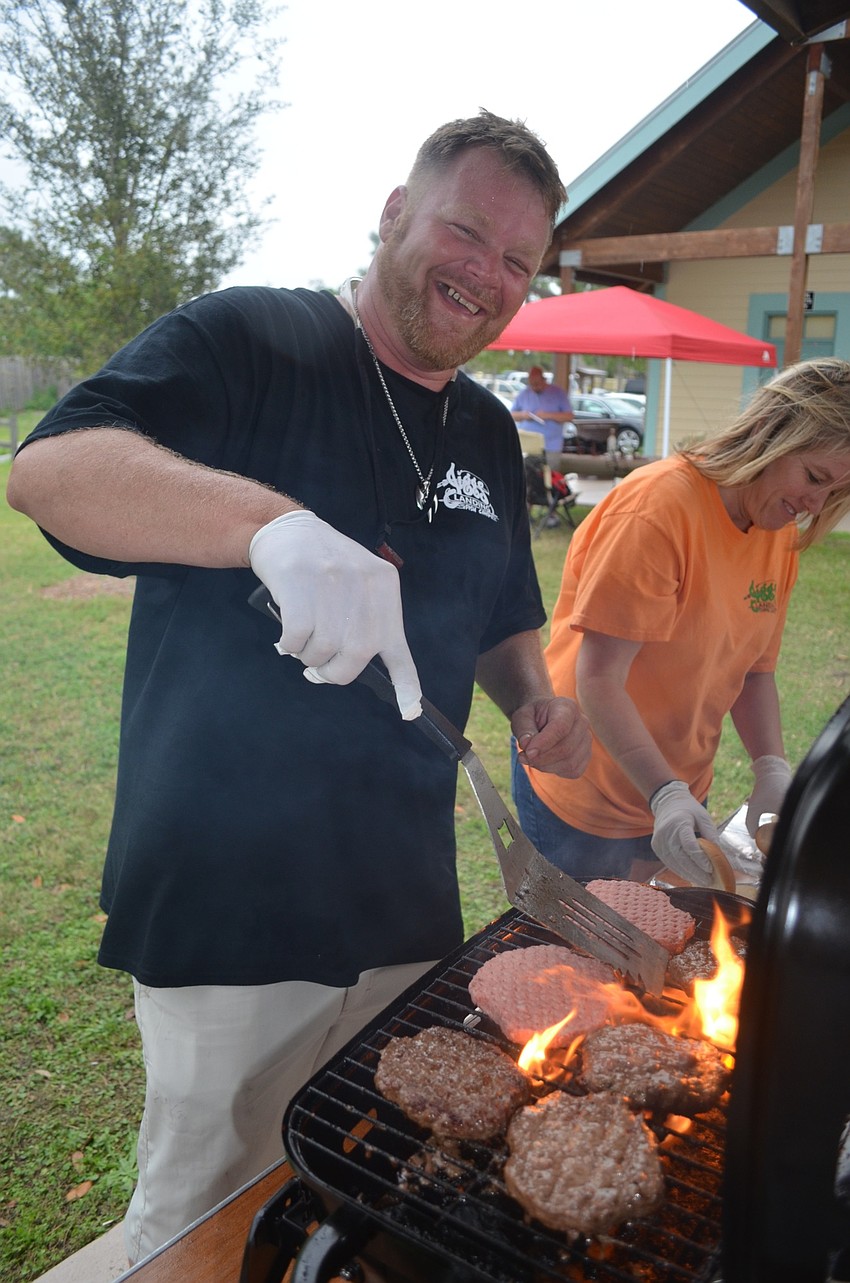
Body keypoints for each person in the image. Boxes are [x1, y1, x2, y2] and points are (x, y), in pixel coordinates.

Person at [5, 110, 592, 1262]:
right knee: (204, 1231)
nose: (487, 276)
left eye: (518, 262)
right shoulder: (251, 336)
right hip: (231, 900)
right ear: (392, 213)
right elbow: (50, 469)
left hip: (406, 902)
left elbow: (503, 612)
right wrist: (268, 525)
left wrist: (529, 694)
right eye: (465, 232)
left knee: (369, 1195)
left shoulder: (484, 430)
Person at [513, 357, 850, 888]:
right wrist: (663, 792)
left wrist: (771, 767)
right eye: (814, 477)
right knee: (582, 963)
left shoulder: (776, 528)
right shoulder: (659, 510)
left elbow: (754, 671)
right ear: (769, 431)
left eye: (833, 493)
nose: (813, 504)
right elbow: (598, 679)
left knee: (668, 951)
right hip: (589, 786)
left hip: (679, 788)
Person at [511, 364, 574, 471]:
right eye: (532, 384)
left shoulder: (558, 393)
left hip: (550, 445)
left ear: (543, 379)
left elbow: (569, 416)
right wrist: (523, 415)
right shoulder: (524, 393)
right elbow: (511, 415)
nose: (535, 387)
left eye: (537, 384)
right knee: (527, 474)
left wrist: (548, 415)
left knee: (550, 474)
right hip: (528, 445)